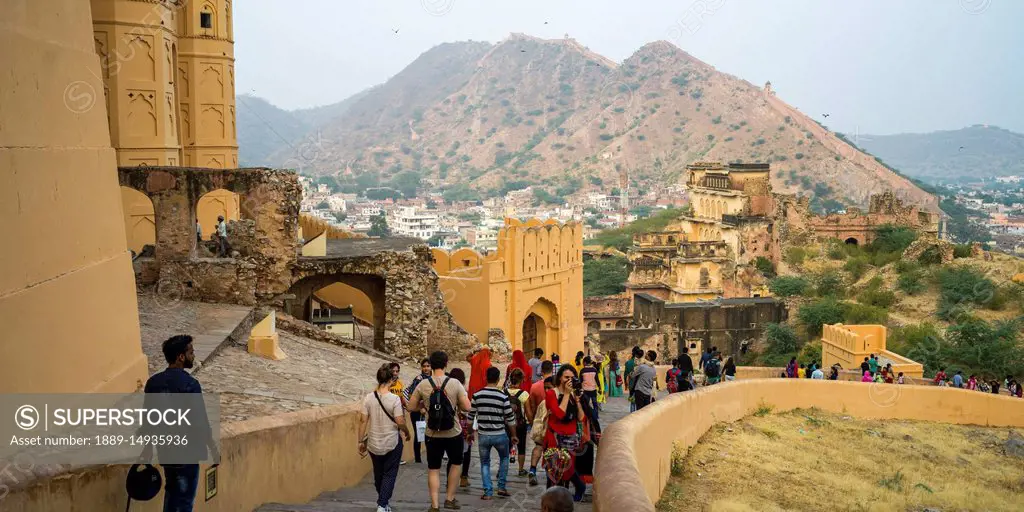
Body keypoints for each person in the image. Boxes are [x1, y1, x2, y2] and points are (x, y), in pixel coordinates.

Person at [143, 335, 219, 512]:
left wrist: (147, 449)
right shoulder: (190, 384)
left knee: (172, 494)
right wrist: (214, 450)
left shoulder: (153, 383)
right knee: (183, 501)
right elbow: (200, 420)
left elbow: (148, 420)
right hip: (187, 453)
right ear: (181, 357)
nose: (194, 356)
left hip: (166, 451)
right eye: (191, 352)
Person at [407, 351, 472, 512]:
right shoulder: (455, 383)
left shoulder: (423, 384)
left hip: (432, 433)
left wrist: (424, 406)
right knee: (456, 464)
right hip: (453, 432)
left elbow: (410, 407)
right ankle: (449, 498)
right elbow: (467, 407)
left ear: (431, 364)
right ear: (446, 363)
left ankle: (435, 505)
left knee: (433, 468)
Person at [359, 364, 411, 512]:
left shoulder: (368, 398)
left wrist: (359, 441)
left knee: (378, 473)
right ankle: (382, 505)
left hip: (374, 443)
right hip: (391, 441)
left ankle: (383, 501)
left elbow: (363, 420)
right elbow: (400, 421)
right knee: (390, 473)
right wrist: (407, 432)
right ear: (391, 380)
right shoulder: (394, 399)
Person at [469, 366, 517, 500]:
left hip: (483, 435)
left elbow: (470, 417)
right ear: (498, 379)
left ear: (486, 377)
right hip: (500, 434)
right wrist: (513, 435)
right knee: (504, 458)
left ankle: (488, 492)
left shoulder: (477, 395)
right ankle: (501, 487)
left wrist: (469, 433)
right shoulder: (503, 396)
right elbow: (510, 418)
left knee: (485, 463)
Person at [544, 365, 586, 501]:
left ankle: (570, 493)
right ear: (560, 377)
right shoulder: (552, 394)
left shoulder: (574, 394)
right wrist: (567, 394)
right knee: (552, 470)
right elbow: (559, 414)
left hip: (570, 437)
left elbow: (581, 417)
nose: (569, 380)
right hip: (555, 437)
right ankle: (551, 499)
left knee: (567, 469)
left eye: (571, 377)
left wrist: (578, 401)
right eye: (566, 377)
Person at [445, 368, 473, 489]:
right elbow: (467, 409)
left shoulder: (446, 389)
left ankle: (448, 480)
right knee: (466, 452)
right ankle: (464, 478)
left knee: (452, 454)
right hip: (463, 424)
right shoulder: (463, 390)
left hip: (451, 423)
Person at [526, 371, 555, 486]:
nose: (547, 391)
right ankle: (534, 471)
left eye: (549, 388)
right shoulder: (546, 402)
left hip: (544, 431)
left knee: (539, 448)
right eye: (546, 388)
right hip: (546, 432)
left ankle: (533, 470)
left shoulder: (544, 401)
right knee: (543, 450)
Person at [404, 358, 432, 464]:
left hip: (429, 411)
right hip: (417, 411)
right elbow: (411, 395)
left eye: (428, 366)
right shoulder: (418, 379)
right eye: (424, 366)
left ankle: (430, 457)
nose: (426, 368)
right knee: (418, 434)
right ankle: (418, 459)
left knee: (429, 435)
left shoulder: (433, 379)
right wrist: (420, 406)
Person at [506, 369, 530, 477]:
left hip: (506, 424)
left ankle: (503, 468)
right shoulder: (524, 394)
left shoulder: (504, 392)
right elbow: (528, 412)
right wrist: (532, 422)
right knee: (522, 446)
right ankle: (520, 469)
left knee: (505, 447)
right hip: (520, 424)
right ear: (521, 380)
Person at [579, 356, 600, 422]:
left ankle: (587, 416)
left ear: (584, 362)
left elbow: (580, 381)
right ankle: (596, 416)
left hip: (585, 390)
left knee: (586, 404)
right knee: (595, 404)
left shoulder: (582, 371)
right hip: (593, 389)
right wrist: (600, 388)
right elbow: (597, 380)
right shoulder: (594, 370)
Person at [624, 347, 643, 411]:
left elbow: (625, 375)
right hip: (640, 384)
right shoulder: (642, 363)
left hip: (632, 384)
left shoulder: (628, 363)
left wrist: (626, 384)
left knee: (632, 401)